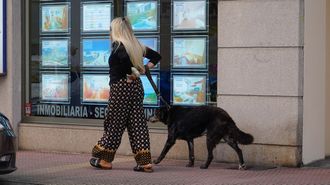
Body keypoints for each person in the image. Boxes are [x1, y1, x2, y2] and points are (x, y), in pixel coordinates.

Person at [89, 17, 161, 173]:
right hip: (136, 88)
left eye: (111, 29)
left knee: (114, 124)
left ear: (116, 31)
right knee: (138, 124)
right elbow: (156, 57)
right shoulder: (137, 46)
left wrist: (135, 71)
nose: (109, 32)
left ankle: (104, 159)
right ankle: (144, 163)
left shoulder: (119, 47)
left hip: (121, 89)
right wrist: (142, 69)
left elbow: (125, 64)